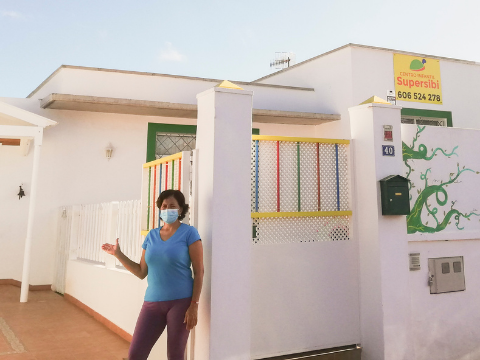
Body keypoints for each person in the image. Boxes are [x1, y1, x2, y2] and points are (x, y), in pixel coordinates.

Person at [101, 189, 204, 360]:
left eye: (172, 206)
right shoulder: (151, 236)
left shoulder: (189, 233)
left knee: (175, 355)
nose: (167, 209)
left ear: (180, 210)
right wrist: (118, 254)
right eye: (164, 206)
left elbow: (199, 272)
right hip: (152, 303)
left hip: (181, 303)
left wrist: (194, 305)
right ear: (159, 209)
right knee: (135, 354)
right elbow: (141, 272)